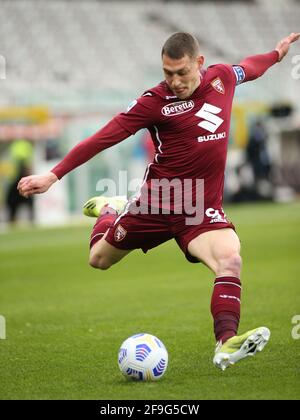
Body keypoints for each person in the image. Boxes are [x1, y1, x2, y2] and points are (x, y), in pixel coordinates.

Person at [18, 32, 300, 371]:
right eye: (168, 73)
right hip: (155, 205)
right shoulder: (154, 101)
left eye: (181, 72)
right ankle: (111, 209)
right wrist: (54, 174)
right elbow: (104, 136)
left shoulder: (222, 78)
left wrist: (275, 54)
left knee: (230, 260)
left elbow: (249, 68)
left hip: (200, 208)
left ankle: (225, 344)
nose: (175, 81)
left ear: (199, 63)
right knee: (98, 260)